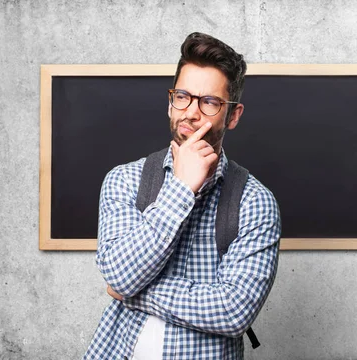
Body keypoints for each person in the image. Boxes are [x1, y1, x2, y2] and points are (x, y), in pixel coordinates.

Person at [84, 32, 281, 360]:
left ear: (232, 115)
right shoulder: (125, 180)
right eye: (183, 96)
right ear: (170, 101)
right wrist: (181, 188)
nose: (191, 112)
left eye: (209, 102)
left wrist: (131, 292)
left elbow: (234, 312)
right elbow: (119, 274)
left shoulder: (255, 202)